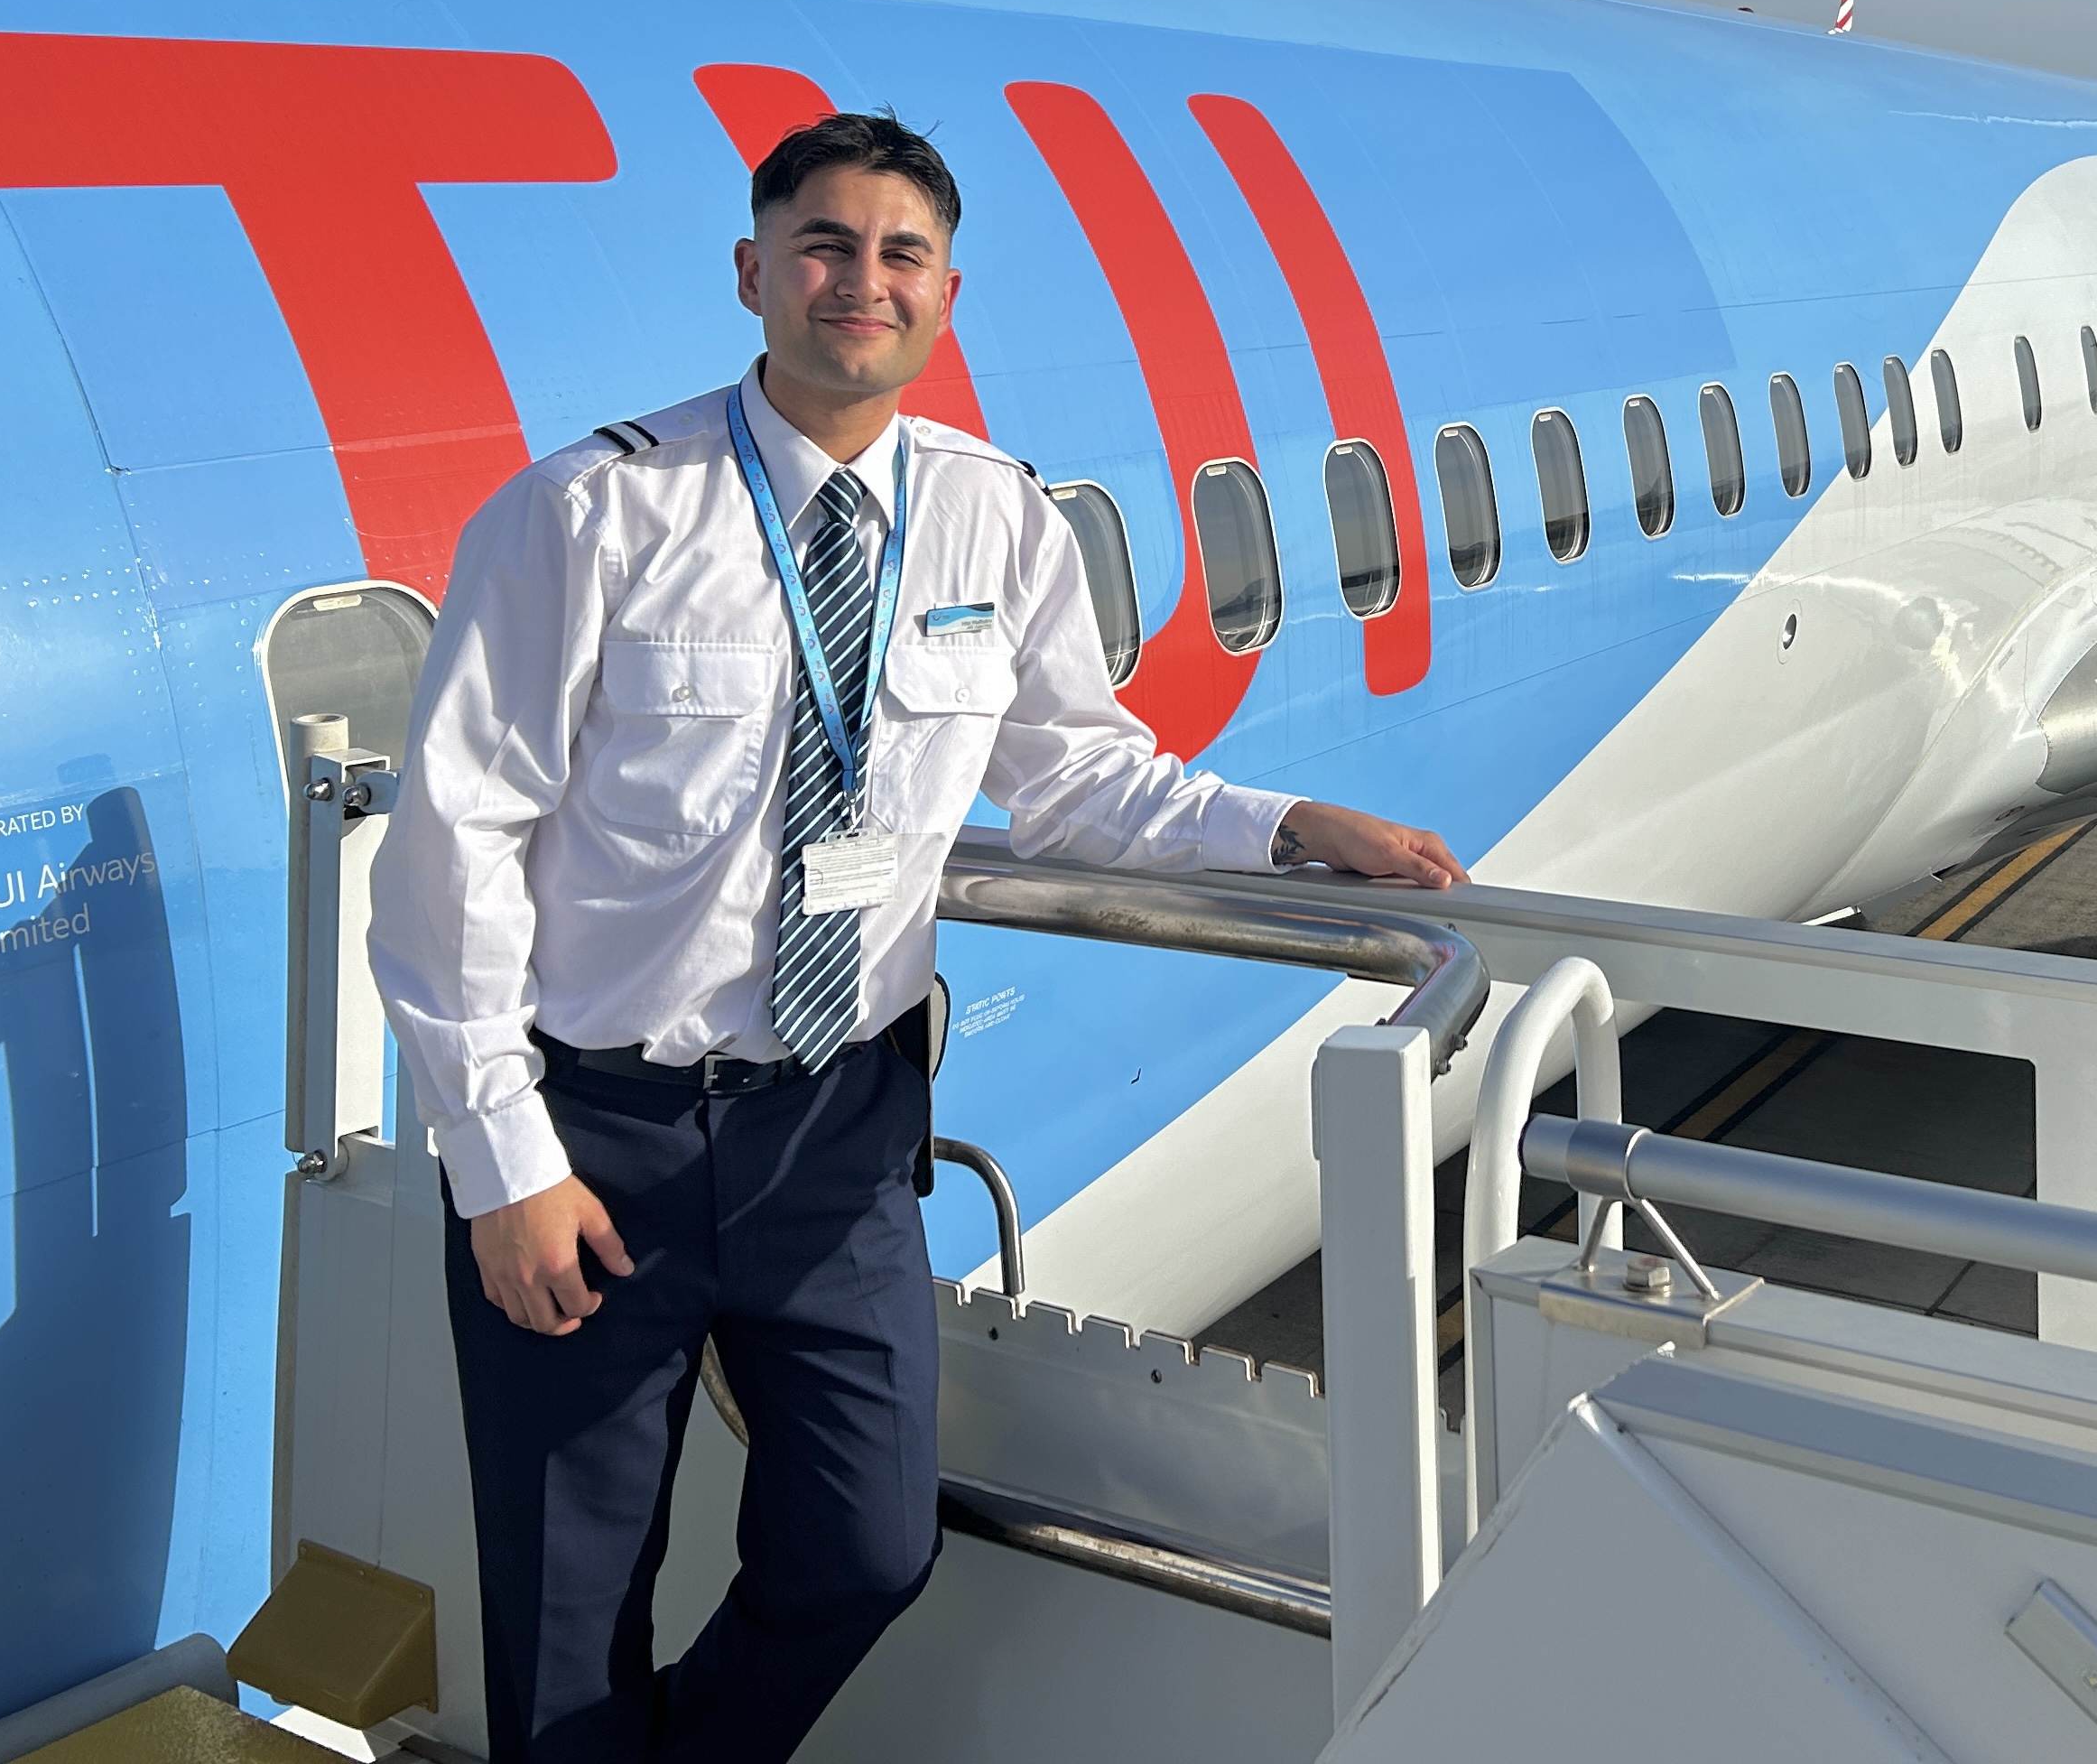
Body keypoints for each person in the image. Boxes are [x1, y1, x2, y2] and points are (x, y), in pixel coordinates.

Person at [367, 109, 1460, 1762]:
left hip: (838, 1130)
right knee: (566, 1601)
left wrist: (1283, 828)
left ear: (946, 293)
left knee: (868, 1545)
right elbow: (458, 840)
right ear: (754, 271)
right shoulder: (593, 514)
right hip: (598, 1135)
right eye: (821, 244)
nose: (857, 281)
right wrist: (501, 1164)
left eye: (899, 255)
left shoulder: (993, 518)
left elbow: (1078, 775)